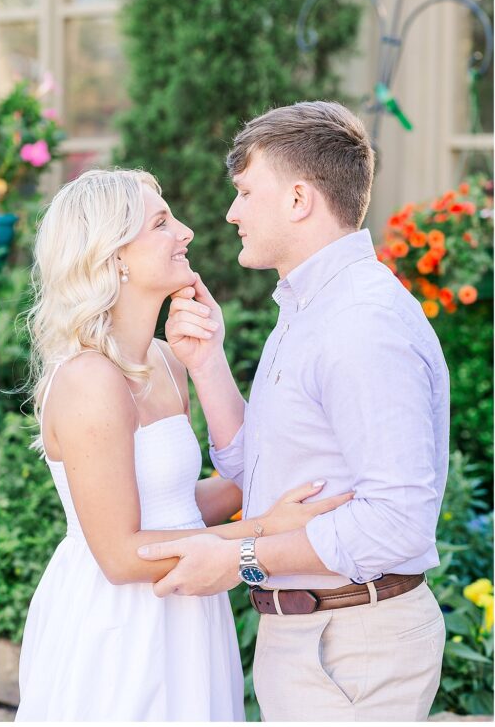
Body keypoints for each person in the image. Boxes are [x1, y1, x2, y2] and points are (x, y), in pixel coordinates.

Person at [138, 101, 450, 720]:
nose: (231, 213)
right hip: (317, 640)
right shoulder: (310, 309)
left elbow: (397, 522)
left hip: (355, 643)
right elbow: (258, 472)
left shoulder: (361, 323)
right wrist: (207, 363)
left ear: (299, 199)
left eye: (246, 192)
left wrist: (241, 557)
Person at [14, 167, 352, 721]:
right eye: (161, 222)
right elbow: (122, 556)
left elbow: (172, 504)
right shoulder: (88, 379)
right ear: (114, 255)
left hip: (187, 609)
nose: (187, 231)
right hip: (121, 623)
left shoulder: (166, 362)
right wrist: (269, 526)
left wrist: (287, 483)